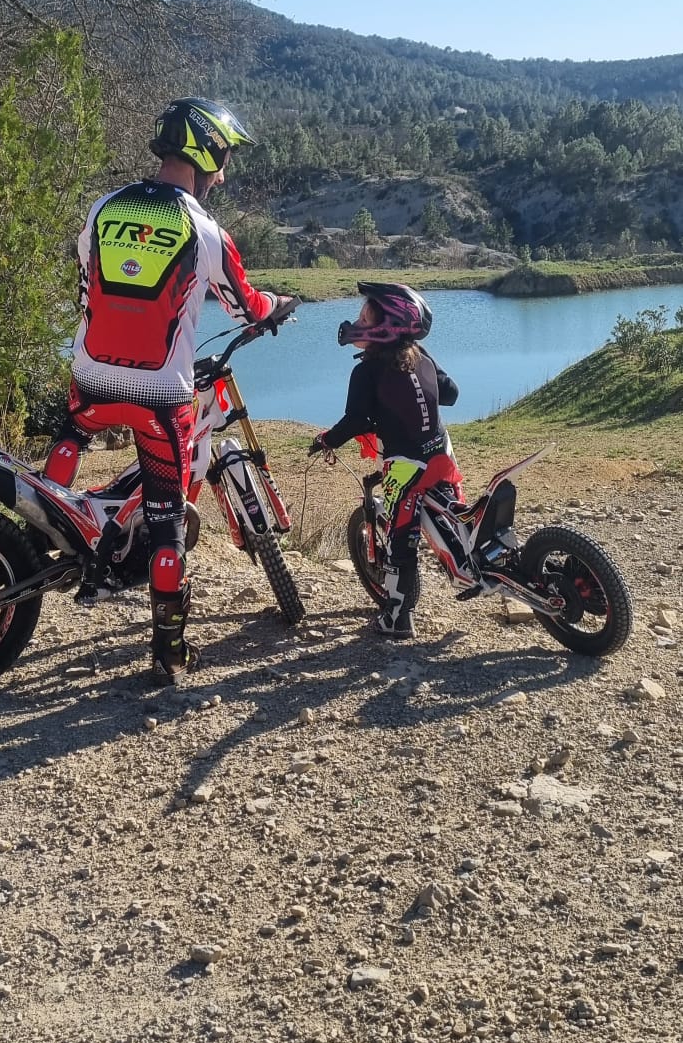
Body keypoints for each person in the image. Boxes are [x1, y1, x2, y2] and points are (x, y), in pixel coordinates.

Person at [45, 98, 293, 680]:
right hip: (160, 396)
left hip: (92, 377)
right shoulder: (205, 229)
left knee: (73, 434)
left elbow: (85, 286)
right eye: (222, 161)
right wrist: (279, 304)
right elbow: (247, 306)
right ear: (205, 153)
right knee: (168, 522)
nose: (222, 175)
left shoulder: (105, 207)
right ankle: (168, 652)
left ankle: (41, 536)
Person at [308, 282, 465, 638]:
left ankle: (397, 618)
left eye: (365, 318)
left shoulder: (366, 371)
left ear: (387, 326)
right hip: (440, 452)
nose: (357, 323)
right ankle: (470, 562)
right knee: (453, 517)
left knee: (399, 539)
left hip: (407, 465)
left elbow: (356, 420)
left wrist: (326, 440)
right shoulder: (420, 355)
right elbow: (451, 393)